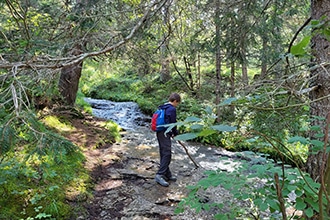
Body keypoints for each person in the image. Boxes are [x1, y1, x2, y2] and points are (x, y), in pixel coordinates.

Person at [155, 92, 181, 187]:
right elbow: (173, 123)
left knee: (163, 152)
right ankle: (160, 175)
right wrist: (175, 133)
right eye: (177, 103)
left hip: (159, 131)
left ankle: (167, 173)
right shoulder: (171, 109)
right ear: (174, 101)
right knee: (167, 153)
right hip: (165, 132)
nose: (177, 105)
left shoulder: (163, 107)